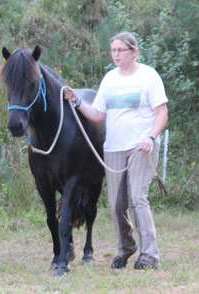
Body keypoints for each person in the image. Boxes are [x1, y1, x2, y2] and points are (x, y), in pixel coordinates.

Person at [63, 31, 168, 270]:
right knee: (116, 204)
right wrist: (76, 101)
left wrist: (151, 136)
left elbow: (161, 113)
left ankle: (149, 255)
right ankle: (126, 248)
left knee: (138, 199)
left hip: (141, 146)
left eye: (121, 50)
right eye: (113, 50)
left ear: (134, 52)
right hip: (114, 149)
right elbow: (98, 114)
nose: (116, 54)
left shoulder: (148, 76)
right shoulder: (109, 79)